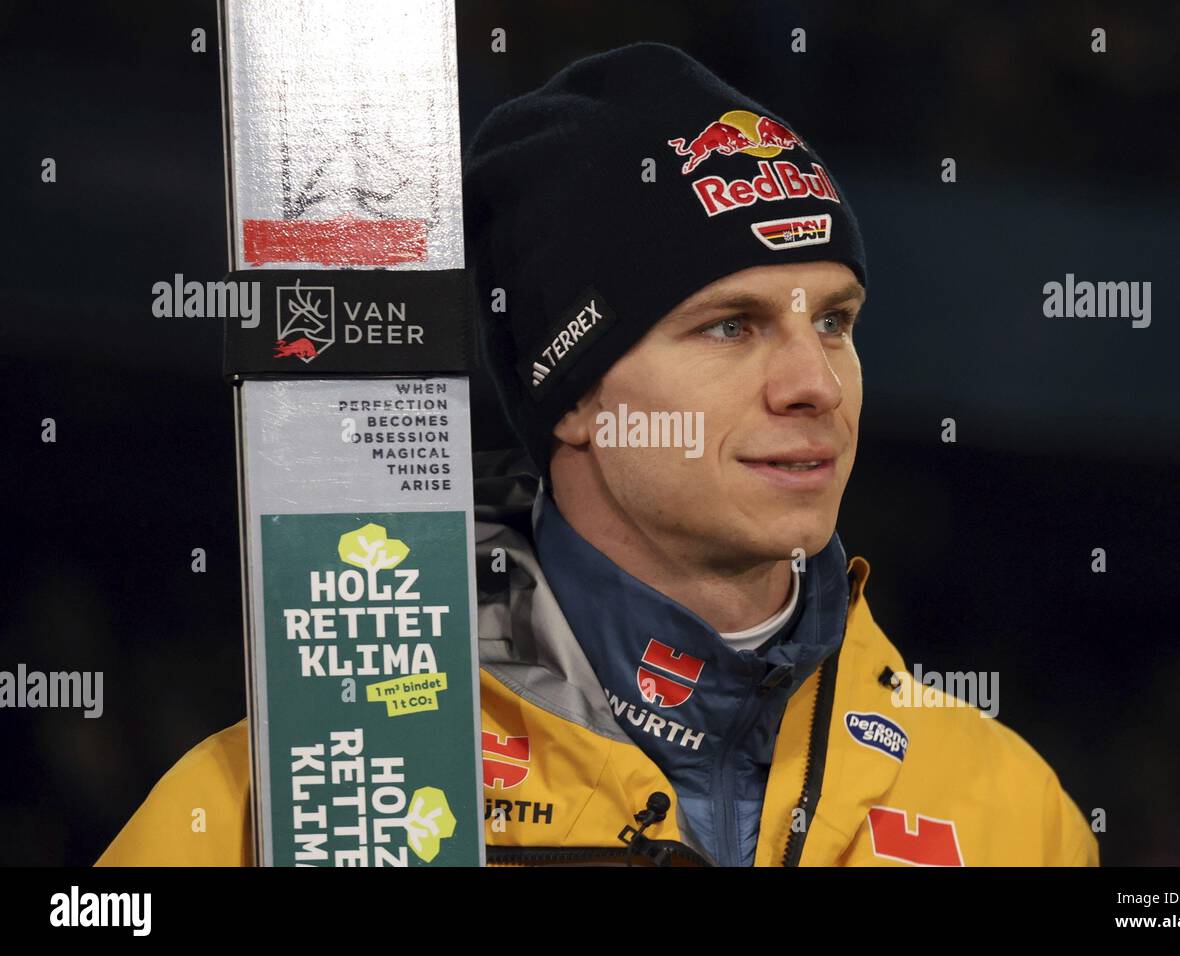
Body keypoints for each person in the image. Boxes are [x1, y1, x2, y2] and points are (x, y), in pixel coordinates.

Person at [97, 42, 1097, 867]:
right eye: (730, 327)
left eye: (833, 321)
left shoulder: (1012, 811)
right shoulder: (265, 801)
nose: (816, 384)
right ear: (575, 393)